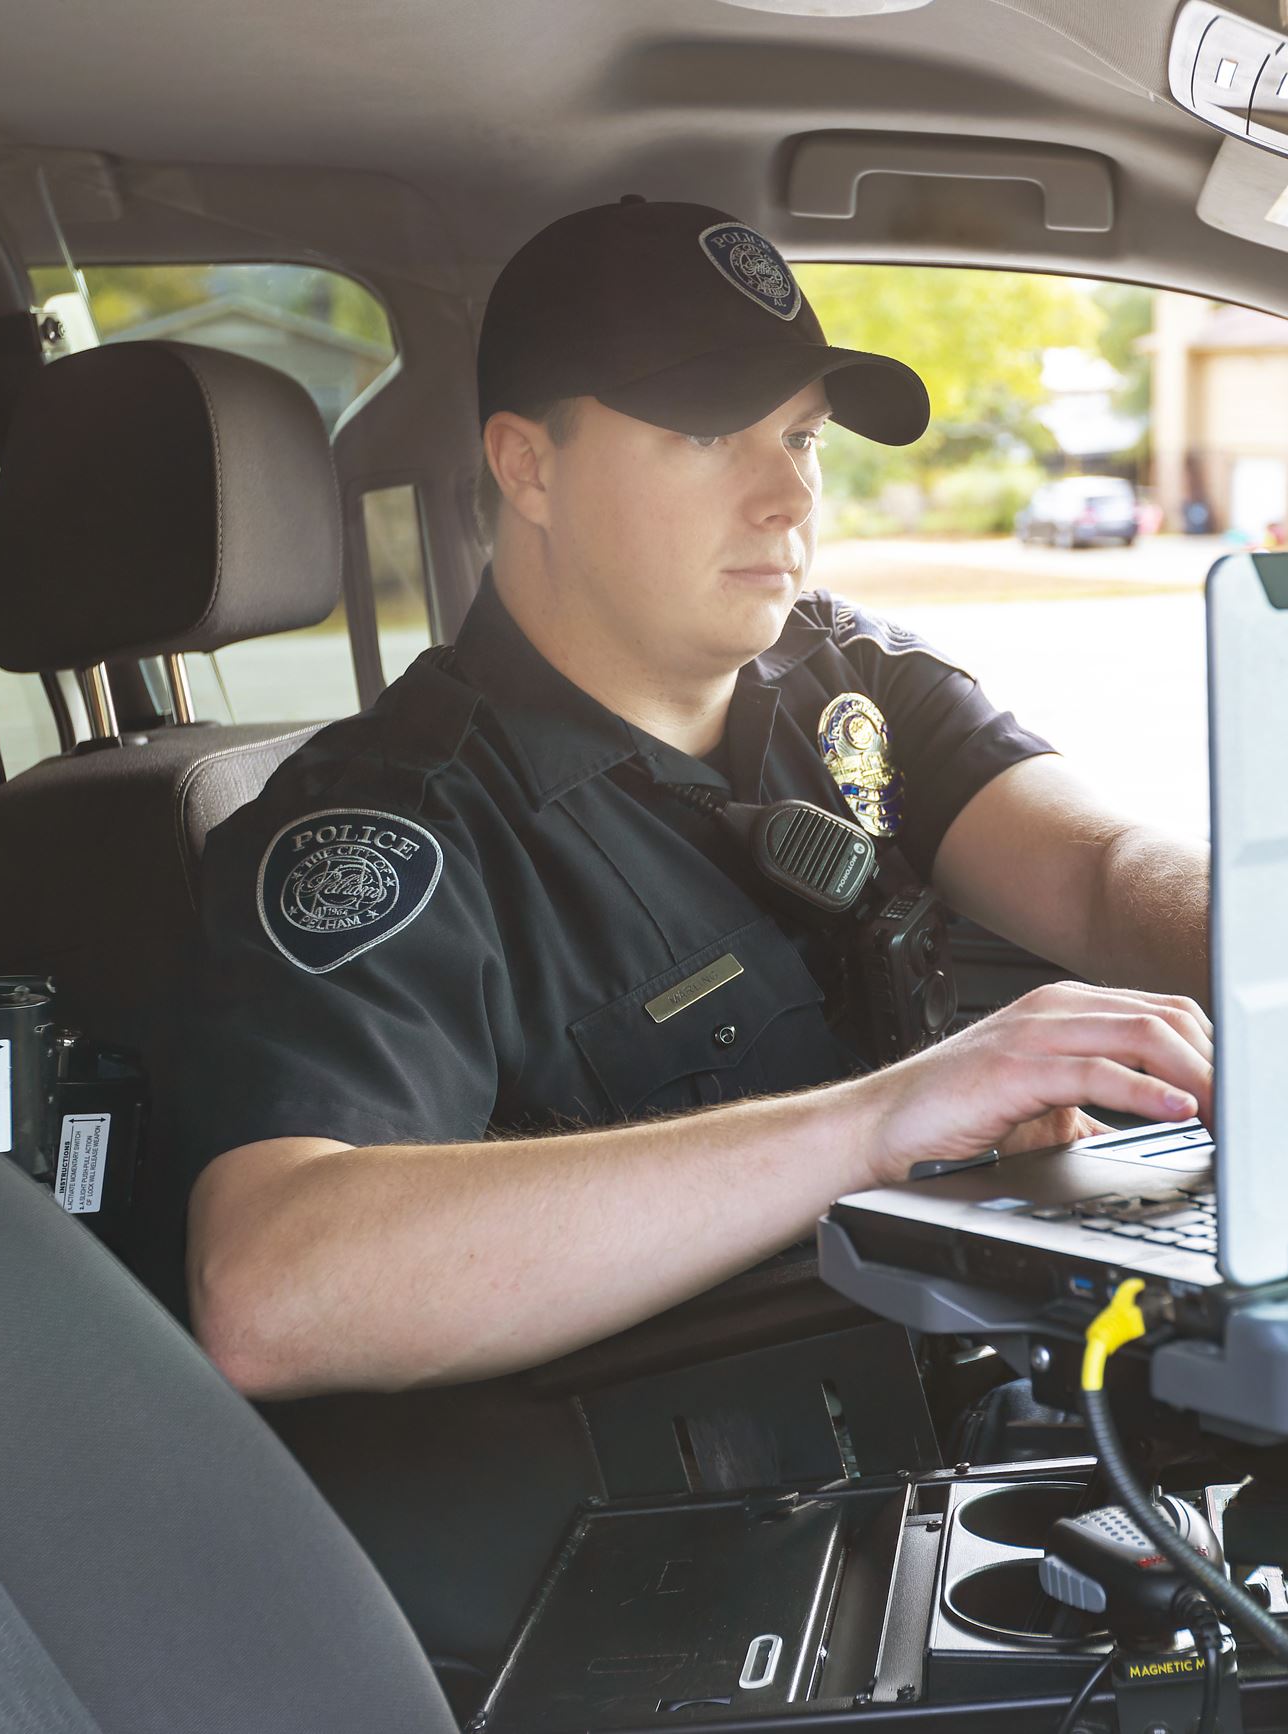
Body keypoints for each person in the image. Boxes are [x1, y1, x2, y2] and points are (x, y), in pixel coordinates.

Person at [178, 199, 1211, 1401]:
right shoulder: (391, 831)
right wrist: (878, 1126)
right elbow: (271, 1295)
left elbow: (1100, 869)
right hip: (698, 1516)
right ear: (528, 467)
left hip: (962, 1406)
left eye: (805, 438)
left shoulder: (849, 676)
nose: (788, 497)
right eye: (714, 436)